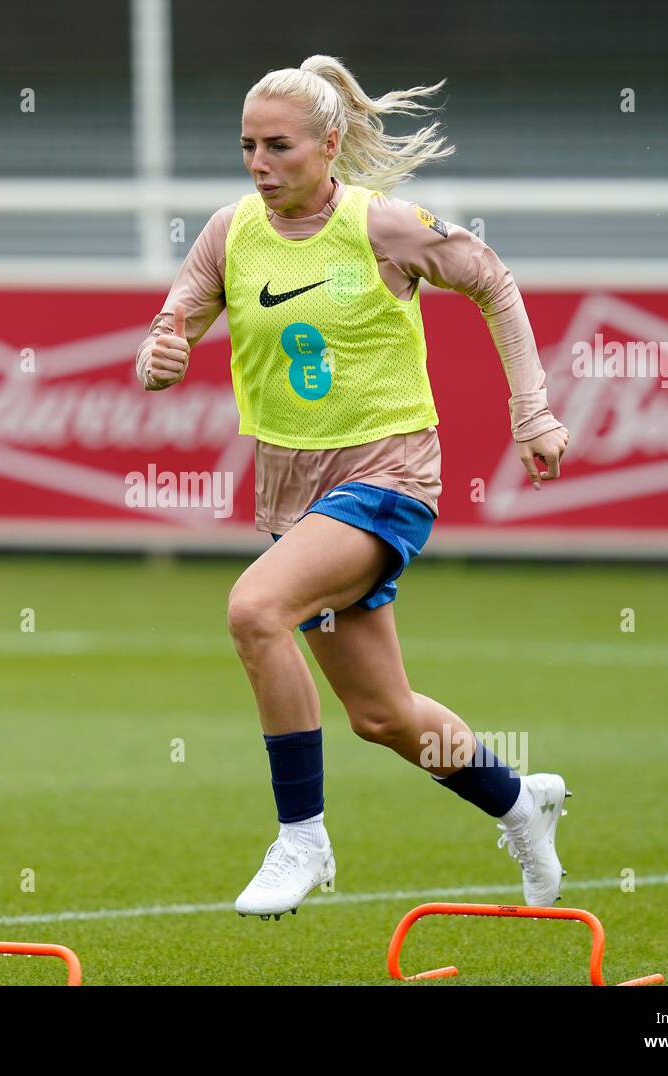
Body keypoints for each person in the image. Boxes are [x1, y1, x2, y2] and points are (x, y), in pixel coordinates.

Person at [136, 55, 572, 920]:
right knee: (380, 713)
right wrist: (160, 356)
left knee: (255, 611)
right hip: (293, 497)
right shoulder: (230, 231)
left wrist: (532, 412)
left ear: (329, 145)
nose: (260, 164)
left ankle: (302, 838)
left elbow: (494, 282)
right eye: (248, 146)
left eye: (279, 147)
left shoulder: (384, 226)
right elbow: (172, 323)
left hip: (387, 477)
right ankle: (522, 802)